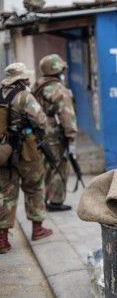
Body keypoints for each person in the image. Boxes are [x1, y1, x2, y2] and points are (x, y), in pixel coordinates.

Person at [0, 63, 53, 253]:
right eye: (26, 77)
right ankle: (38, 229)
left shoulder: (0, 94)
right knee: (34, 186)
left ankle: (2, 239)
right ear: (21, 79)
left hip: (3, 152)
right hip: (26, 150)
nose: (29, 80)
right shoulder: (24, 96)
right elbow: (40, 120)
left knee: (5, 193)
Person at [32, 54, 78, 212]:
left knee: (45, 167)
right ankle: (56, 201)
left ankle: (43, 199)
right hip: (55, 136)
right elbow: (67, 115)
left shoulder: (37, 86)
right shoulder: (58, 89)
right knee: (59, 166)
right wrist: (71, 137)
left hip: (39, 134)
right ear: (56, 70)